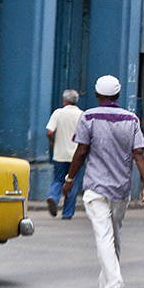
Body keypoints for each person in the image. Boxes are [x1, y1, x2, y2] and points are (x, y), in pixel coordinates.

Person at [62, 75, 144, 288]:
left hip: (95, 187)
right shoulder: (131, 119)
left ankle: (115, 287)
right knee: (114, 236)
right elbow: (139, 153)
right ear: (118, 95)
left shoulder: (89, 117)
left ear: (96, 94)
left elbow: (82, 151)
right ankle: (106, 283)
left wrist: (70, 178)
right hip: (121, 188)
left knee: (104, 237)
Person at [46, 89, 84, 219]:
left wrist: (53, 142)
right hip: (76, 155)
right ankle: (67, 213)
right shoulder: (82, 115)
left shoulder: (58, 113)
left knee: (58, 179)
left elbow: (49, 132)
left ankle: (54, 197)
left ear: (65, 100)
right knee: (72, 181)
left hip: (60, 153)